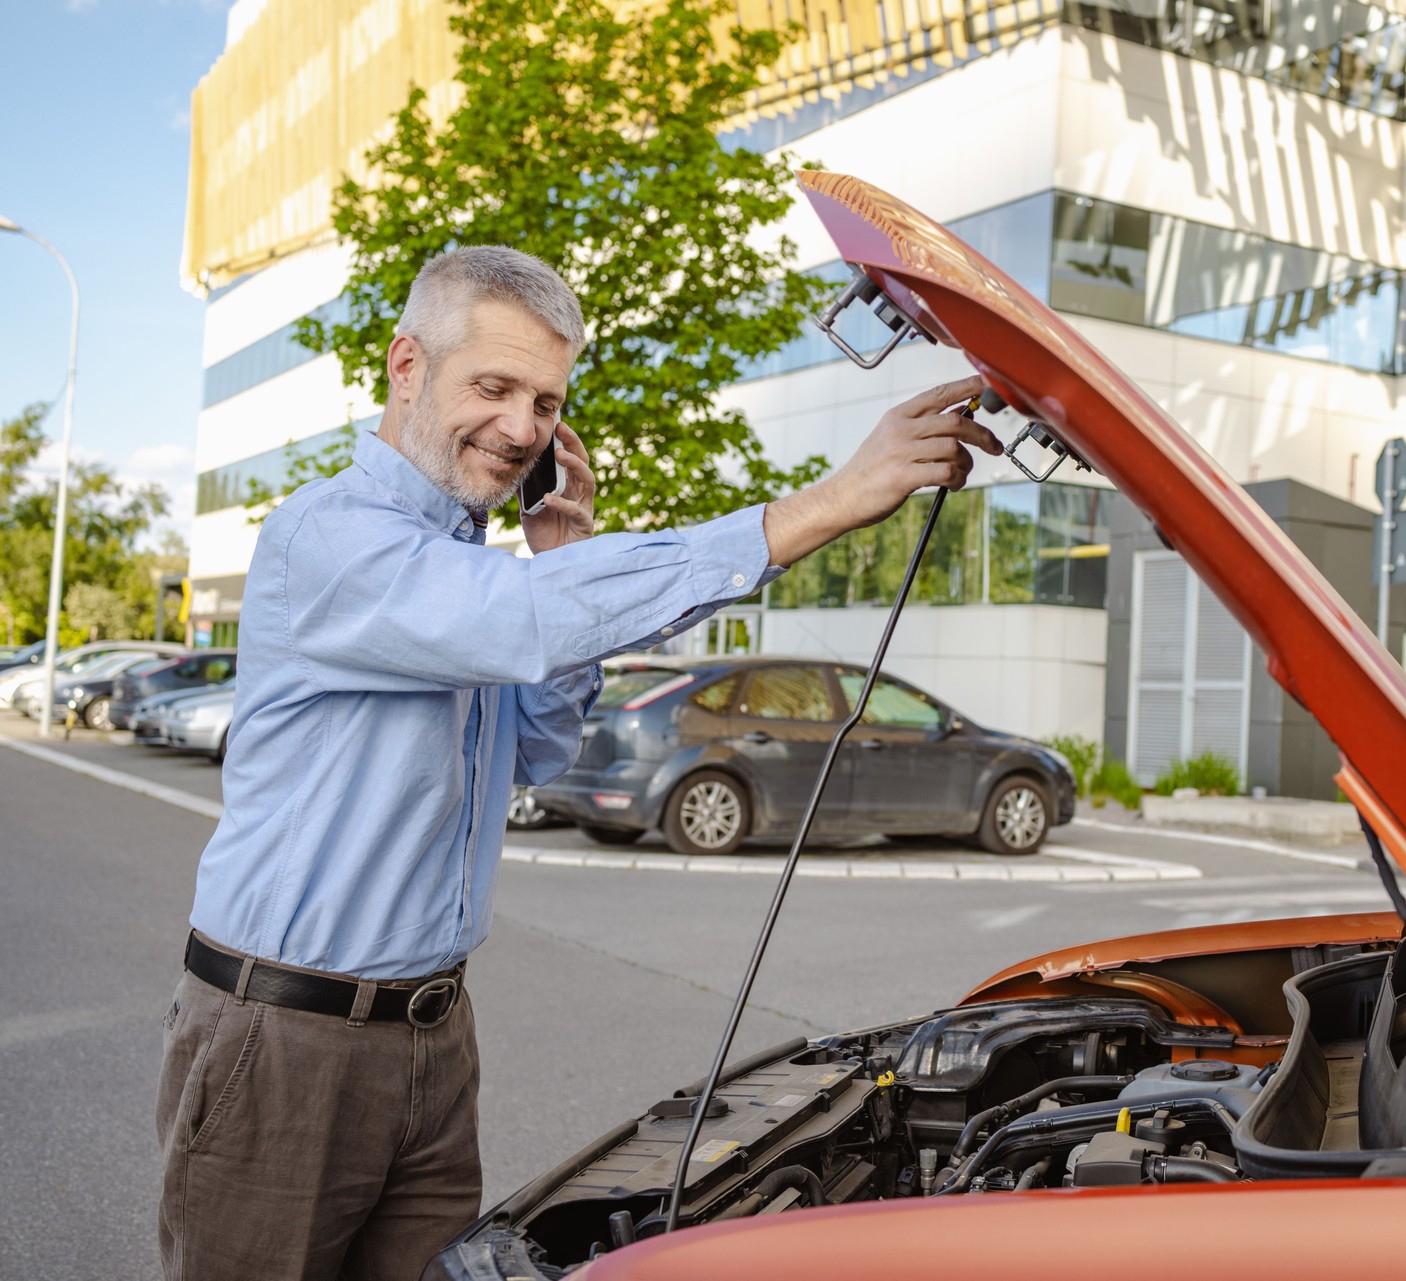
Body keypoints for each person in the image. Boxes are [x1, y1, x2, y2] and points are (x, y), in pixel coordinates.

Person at [156, 245, 998, 1280]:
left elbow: (537, 752)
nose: (522, 429)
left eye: (547, 403)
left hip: (432, 1036)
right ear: (406, 367)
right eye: (494, 387)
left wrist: (559, 564)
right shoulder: (327, 541)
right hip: (282, 1041)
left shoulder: (473, 573)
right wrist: (814, 508)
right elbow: (516, 621)